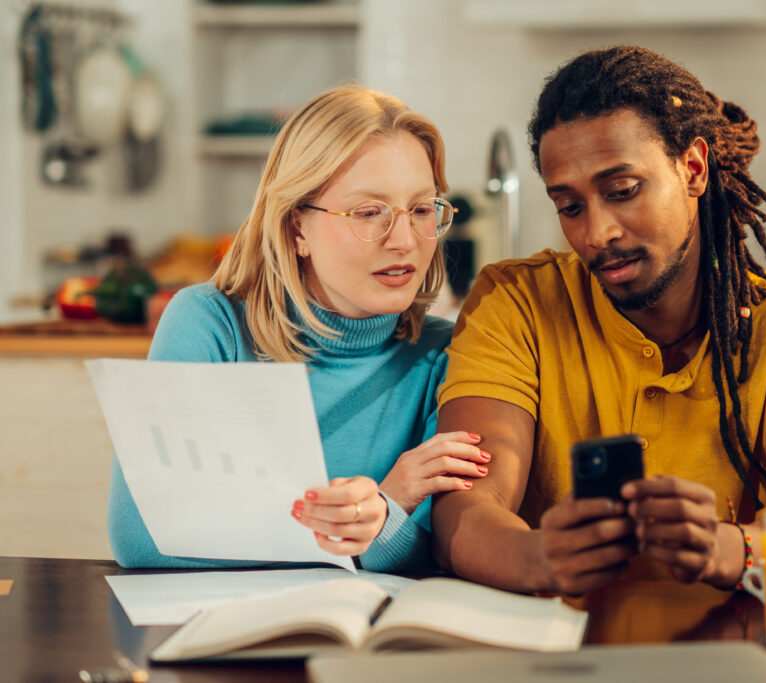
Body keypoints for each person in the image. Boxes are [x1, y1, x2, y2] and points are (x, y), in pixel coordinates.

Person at [431, 46, 766, 597]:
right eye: (570, 206)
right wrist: (536, 557)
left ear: (692, 168)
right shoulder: (516, 303)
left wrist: (723, 547)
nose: (598, 233)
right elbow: (466, 505)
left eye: (622, 192)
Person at [108, 85, 489, 570]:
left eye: (420, 210)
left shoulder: (445, 357)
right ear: (296, 228)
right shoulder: (208, 325)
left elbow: (439, 558)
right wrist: (375, 515)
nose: (404, 240)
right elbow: (140, 538)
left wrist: (380, 521)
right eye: (369, 213)